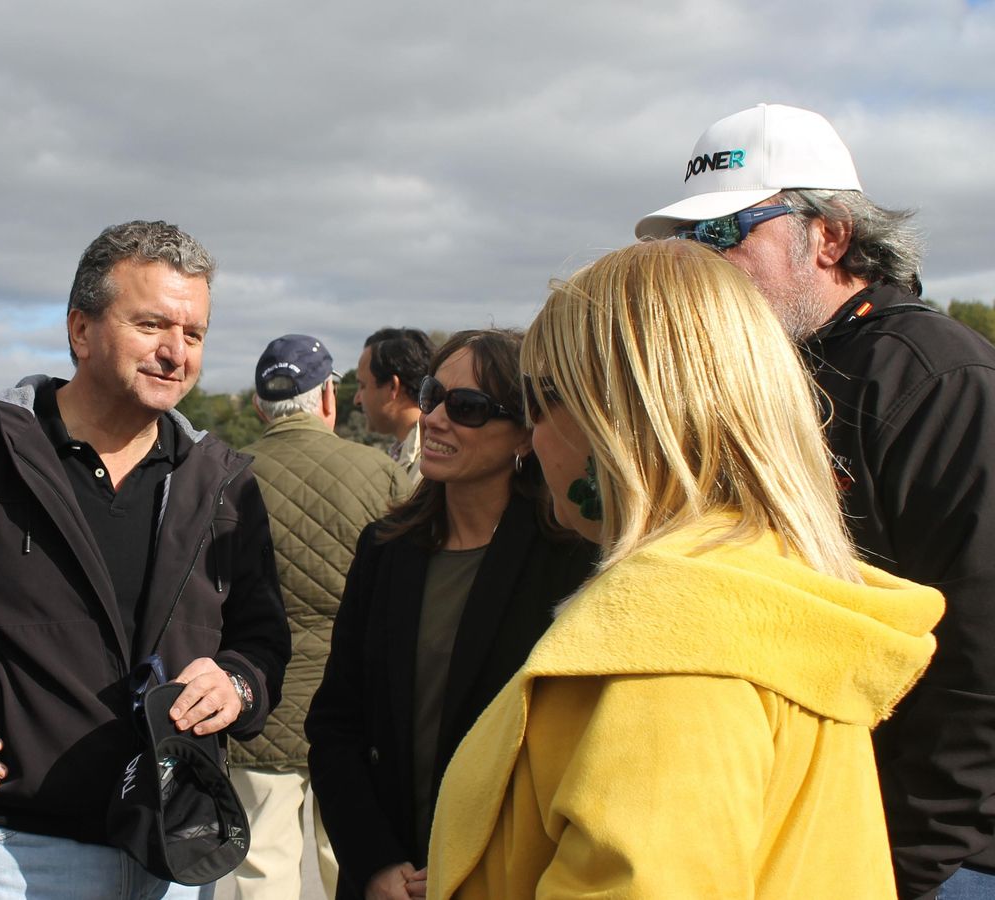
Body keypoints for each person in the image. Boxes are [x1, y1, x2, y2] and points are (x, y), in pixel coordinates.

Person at [427, 240, 943, 898]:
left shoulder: (673, 646)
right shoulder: (766, 587)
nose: (531, 441)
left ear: (608, 416)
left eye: (537, 401)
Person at [0, 220, 290, 899]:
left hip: (177, 853)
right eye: (152, 324)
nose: (174, 352)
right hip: (16, 857)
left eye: (193, 335)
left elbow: (263, 639)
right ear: (81, 330)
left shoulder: (222, 481)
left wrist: (238, 685)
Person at [635, 102, 995, 899]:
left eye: (725, 233)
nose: (701, 262)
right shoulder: (768, 382)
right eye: (687, 242)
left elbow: (980, 656)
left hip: (927, 858)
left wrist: (904, 864)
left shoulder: (938, 380)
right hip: (806, 836)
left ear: (829, 235)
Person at [308, 329, 597, 900]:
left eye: (467, 408)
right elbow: (337, 723)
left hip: (508, 877)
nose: (436, 418)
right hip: (391, 876)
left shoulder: (571, 560)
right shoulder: (385, 548)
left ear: (523, 433)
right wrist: (374, 864)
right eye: (433, 393)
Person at [228, 334, 407, 900]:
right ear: (328, 397)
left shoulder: (225, 475)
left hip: (257, 711)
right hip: (355, 714)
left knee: (261, 870)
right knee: (355, 864)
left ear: (260, 405)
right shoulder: (380, 473)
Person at [353, 327, 433, 484]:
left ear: (392, 387)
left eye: (362, 386)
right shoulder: (414, 456)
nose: (356, 399)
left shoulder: (426, 466)